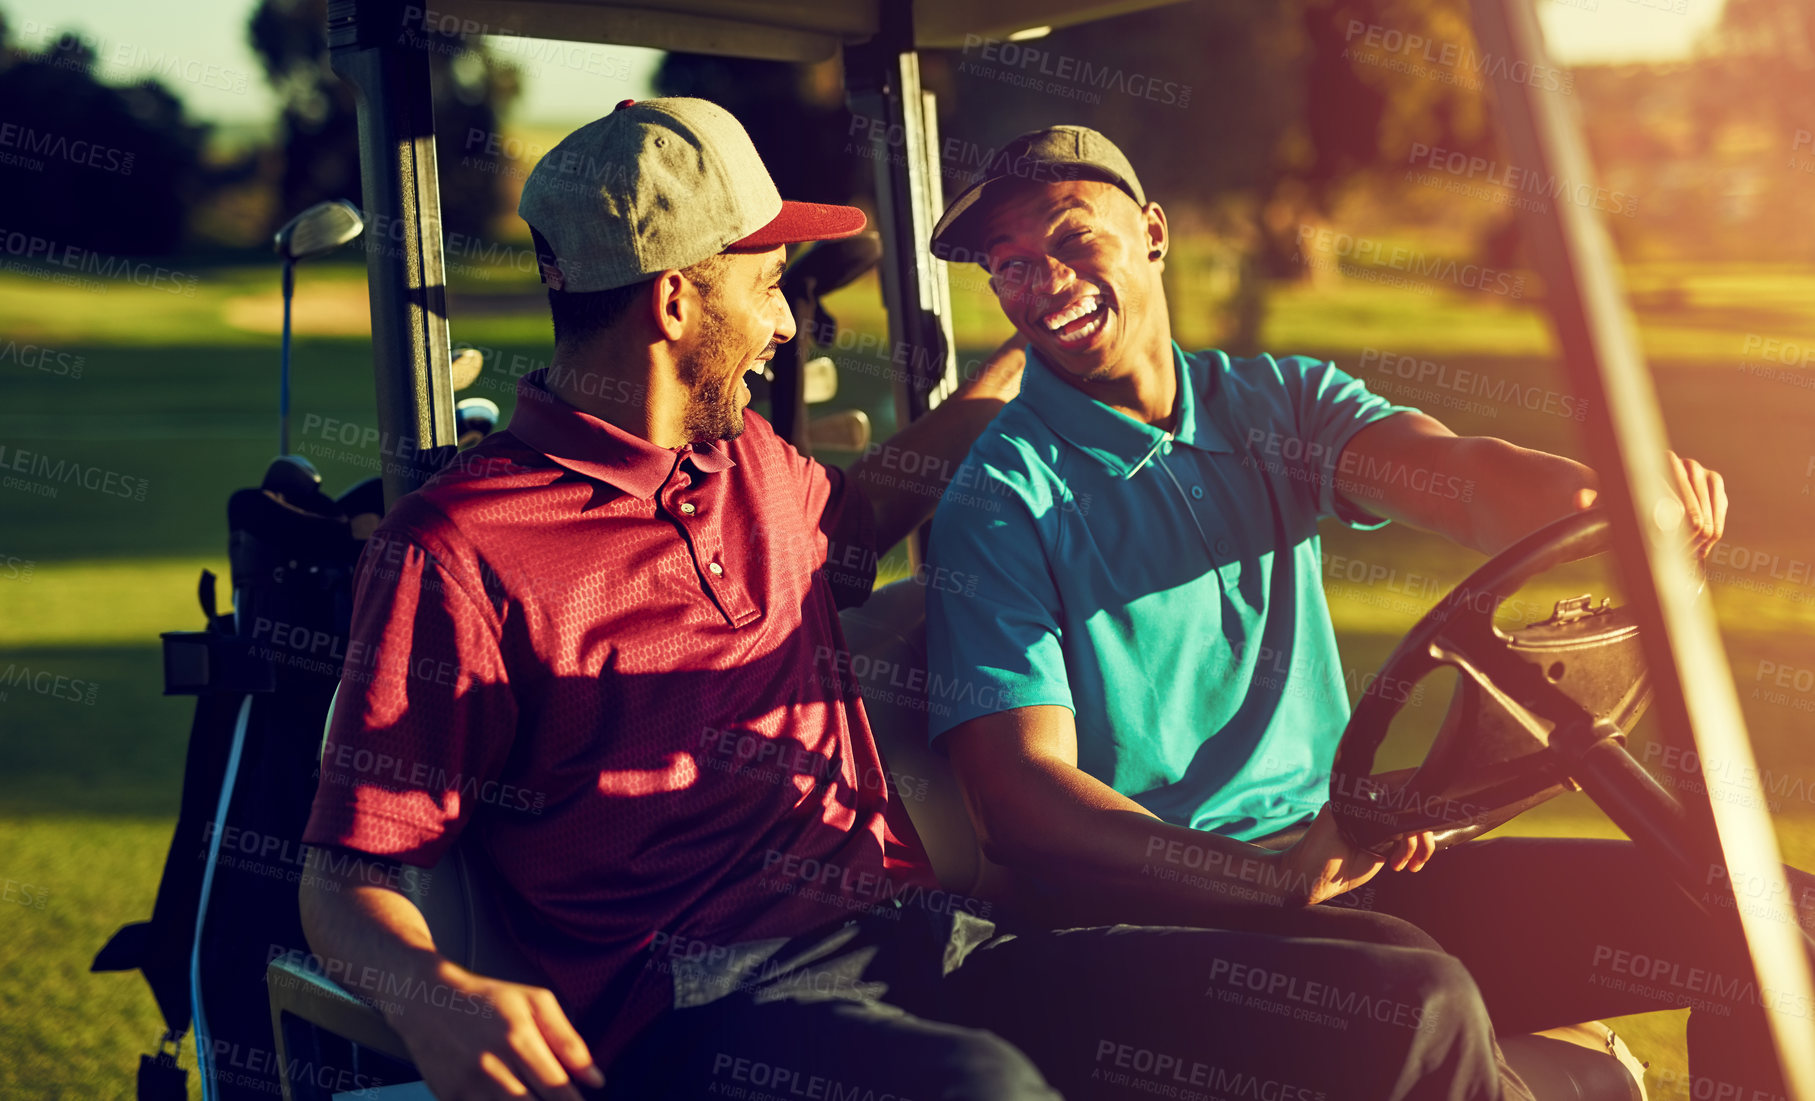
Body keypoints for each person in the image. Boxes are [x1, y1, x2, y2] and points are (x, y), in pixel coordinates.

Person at [296, 99, 1525, 1101]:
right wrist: (437, 999)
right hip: (706, 1009)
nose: (785, 322)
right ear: (676, 300)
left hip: (927, 943)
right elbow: (348, 873)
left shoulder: (757, 476)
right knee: (979, 1092)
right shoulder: (461, 548)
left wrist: (1044, 338)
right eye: (768, 282)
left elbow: (886, 495)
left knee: (1402, 1006)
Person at [922, 123, 1809, 1099]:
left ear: (1154, 231)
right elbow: (1022, 800)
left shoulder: (1277, 404)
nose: (1039, 281)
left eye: (1069, 237)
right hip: (1176, 913)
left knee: (1768, 916)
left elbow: (1460, 478)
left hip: (1347, 856)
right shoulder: (1001, 498)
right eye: (1007, 266)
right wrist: (1258, 879)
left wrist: (1609, 503)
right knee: (1418, 1008)